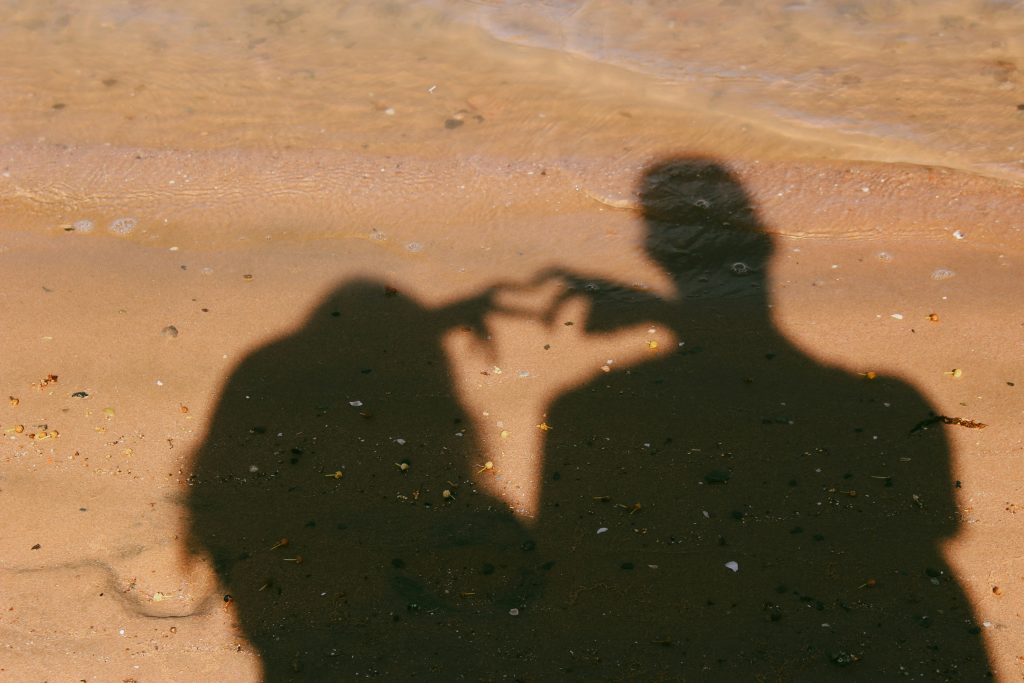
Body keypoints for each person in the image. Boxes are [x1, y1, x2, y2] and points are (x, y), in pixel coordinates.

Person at [523, 158, 990, 678]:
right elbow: (939, 524)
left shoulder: (585, 410)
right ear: (769, 244)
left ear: (653, 254)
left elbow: (560, 560)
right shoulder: (893, 403)